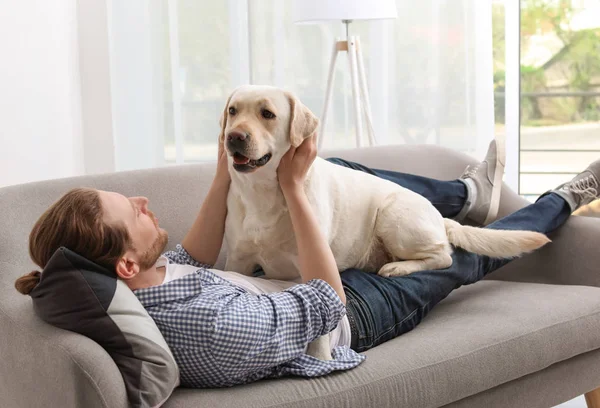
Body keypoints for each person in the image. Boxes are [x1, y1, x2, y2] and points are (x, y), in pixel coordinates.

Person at [14, 137, 600, 388]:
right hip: (350, 312)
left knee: (337, 169)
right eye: (133, 212)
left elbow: (189, 255)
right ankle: (567, 198)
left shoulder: (146, 282)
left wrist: (229, 167)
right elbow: (328, 302)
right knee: (465, 257)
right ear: (122, 265)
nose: (145, 202)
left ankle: (464, 195)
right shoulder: (208, 330)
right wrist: (295, 193)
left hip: (300, 282)